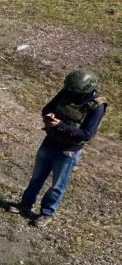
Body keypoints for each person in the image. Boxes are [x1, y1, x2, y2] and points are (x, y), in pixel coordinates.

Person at [7, 69, 106, 227]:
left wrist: (60, 126)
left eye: (74, 93)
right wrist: (49, 116)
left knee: (57, 186)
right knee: (36, 178)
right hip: (49, 142)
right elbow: (47, 108)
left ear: (85, 90)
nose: (70, 94)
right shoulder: (68, 91)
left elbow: (87, 135)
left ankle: (46, 213)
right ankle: (25, 205)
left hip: (68, 152)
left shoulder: (97, 106)